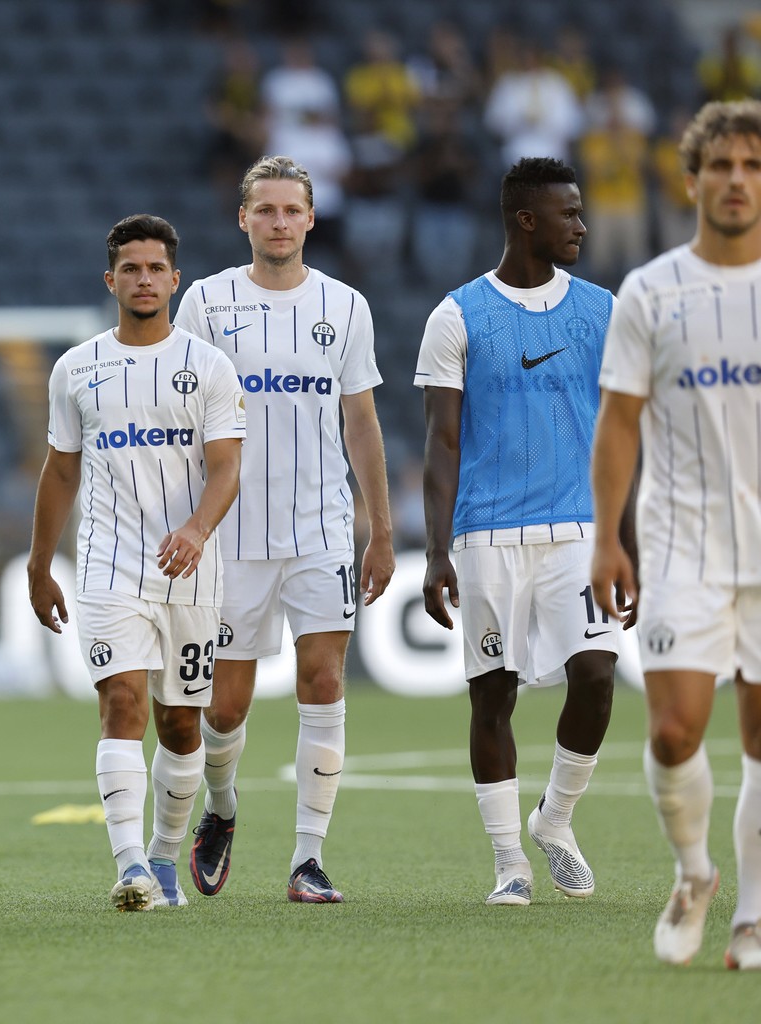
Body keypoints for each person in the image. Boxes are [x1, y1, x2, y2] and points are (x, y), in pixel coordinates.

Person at [174, 155, 395, 904]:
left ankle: (307, 858)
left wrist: (383, 531)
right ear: (244, 219)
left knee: (323, 681)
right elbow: (184, 420)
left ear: (309, 218)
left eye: (290, 210)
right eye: (263, 210)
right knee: (225, 706)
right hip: (230, 536)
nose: (277, 222)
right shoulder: (205, 302)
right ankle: (223, 809)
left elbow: (361, 422)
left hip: (319, 528)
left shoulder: (346, 306)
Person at [416, 157, 623, 907]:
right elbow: (441, 441)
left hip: (579, 528)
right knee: (492, 695)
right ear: (526, 220)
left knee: (597, 676)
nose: (583, 225)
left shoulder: (602, 310)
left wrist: (623, 536)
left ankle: (555, 817)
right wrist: (437, 550)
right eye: (569, 213)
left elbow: (624, 431)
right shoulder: (457, 315)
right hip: (486, 534)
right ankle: (509, 863)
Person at [28, 213, 243, 911]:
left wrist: (197, 529)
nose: (144, 279)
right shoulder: (76, 368)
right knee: (121, 704)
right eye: (131, 268)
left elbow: (227, 468)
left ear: (174, 280)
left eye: (156, 268)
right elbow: (60, 472)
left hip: (192, 571)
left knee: (182, 722)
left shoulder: (208, 367)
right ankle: (129, 868)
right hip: (108, 568)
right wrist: (38, 564)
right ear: (110, 279)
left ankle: (163, 855)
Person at [590, 98, 761, 970]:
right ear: (691, 180)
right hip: (683, 546)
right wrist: (608, 538)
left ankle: (754, 918)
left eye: (753, 165)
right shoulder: (651, 291)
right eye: (722, 165)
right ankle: (695, 873)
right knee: (674, 734)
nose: (737, 180)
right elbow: (619, 422)